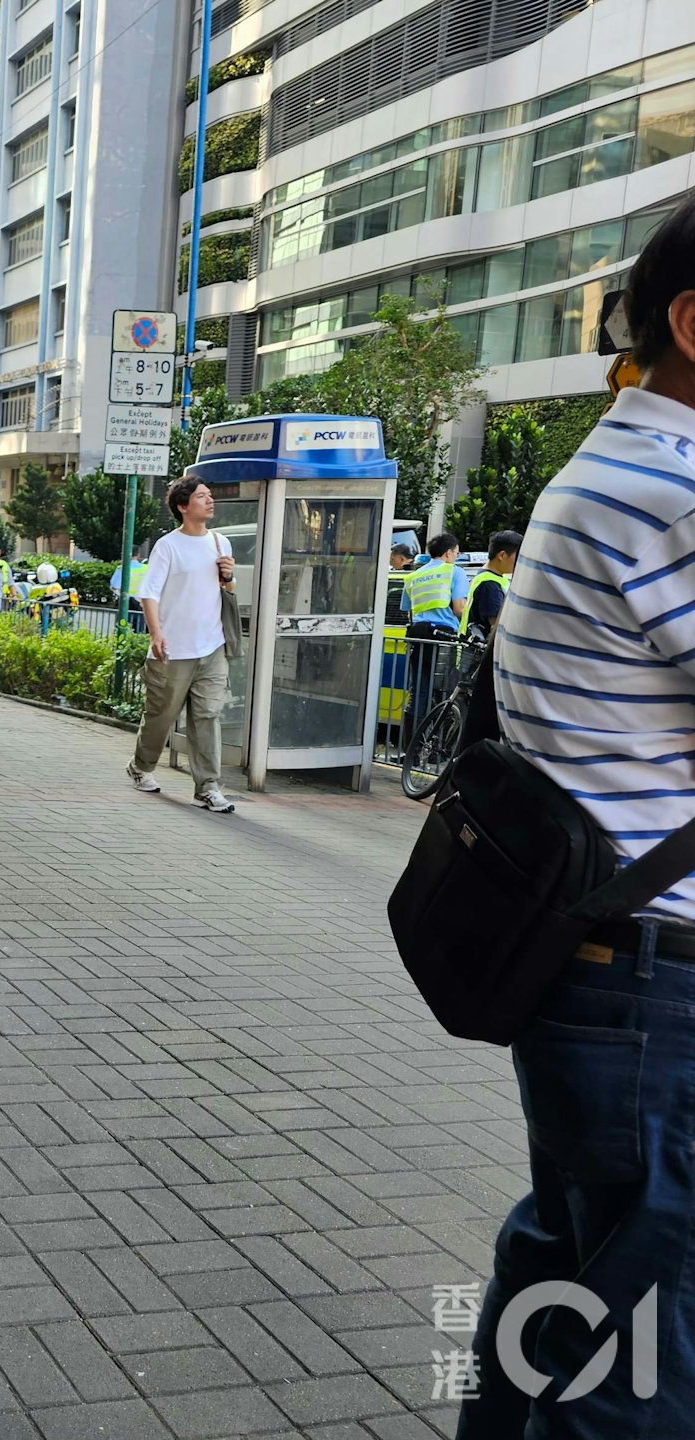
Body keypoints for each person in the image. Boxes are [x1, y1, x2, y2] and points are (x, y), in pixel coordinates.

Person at [460, 195, 695, 1439]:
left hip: (614, 970)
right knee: (645, 1358)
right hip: (660, 984)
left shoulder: (614, 470)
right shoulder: (671, 491)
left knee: (573, 1286)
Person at [126, 477, 236, 813]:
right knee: (161, 716)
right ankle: (141, 766)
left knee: (207, 716)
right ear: (183, 506)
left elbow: (228, 595)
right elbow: (149, 594)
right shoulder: (168, 546)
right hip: (172, 650)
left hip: (212, 647)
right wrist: (156, 634)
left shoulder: (221, 543)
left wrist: (229, 579)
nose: (210, 500)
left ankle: (208, 788)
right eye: (202, 496)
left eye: (210, 495)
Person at [403, 533, 471, 742]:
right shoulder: (454, 572)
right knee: (444, 693)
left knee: (419, 692)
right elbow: (459, 609)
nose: (456, 557)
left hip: (418, 636)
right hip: (443, 637)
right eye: (456, 553)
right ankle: (434, 748)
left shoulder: (413, 576)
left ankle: (411, 748)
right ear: (449, 552)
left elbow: (408, 611)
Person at [459, 528, 519, 639]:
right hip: (479, 652)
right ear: (502, 556)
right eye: (518, 557)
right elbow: (496, 627)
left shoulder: (488, 577)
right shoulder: (490, 584)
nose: (520, 562)